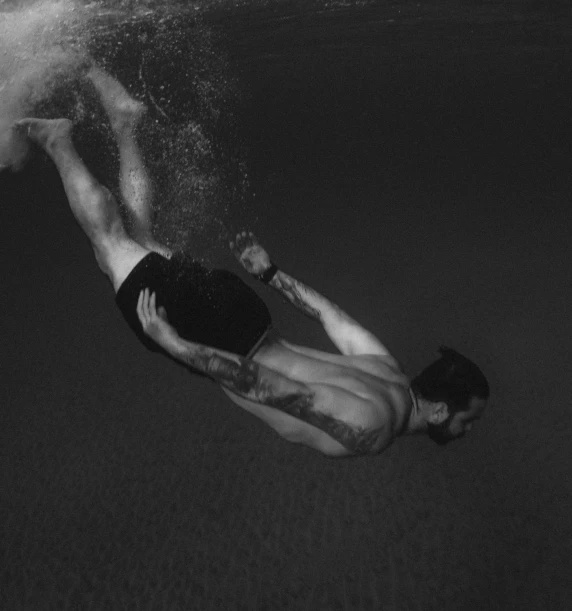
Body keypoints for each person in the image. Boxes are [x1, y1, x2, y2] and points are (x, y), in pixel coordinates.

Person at [9, 91, 489, 457]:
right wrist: (177, 345)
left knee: (139, 236)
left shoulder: (387, 369)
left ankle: (125, 123)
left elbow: (330, 315)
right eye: (468, 421)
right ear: (442, 410)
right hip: (220, 338)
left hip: (248, 315)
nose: (466, 431)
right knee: (111, 244)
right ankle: (58, 141)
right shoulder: (375, 430)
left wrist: (270, 273)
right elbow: (276, 389)